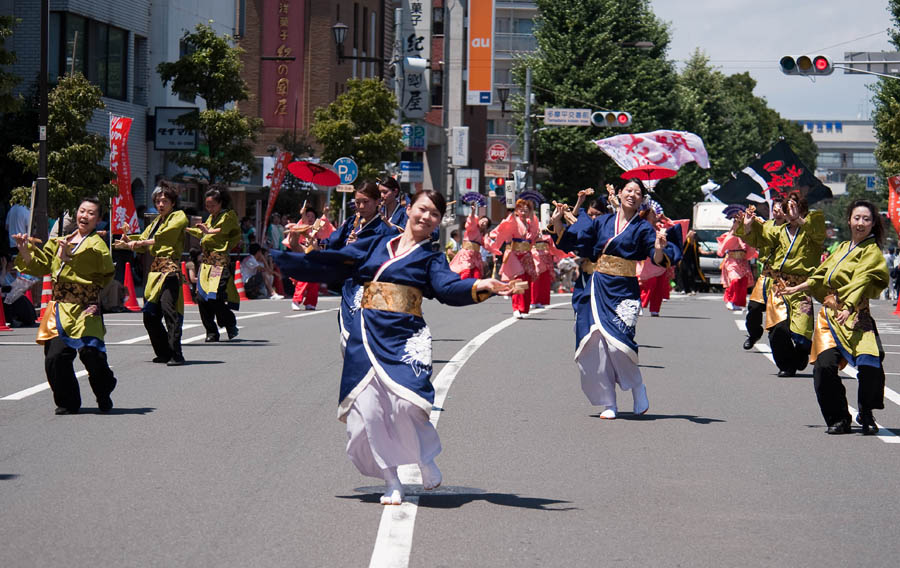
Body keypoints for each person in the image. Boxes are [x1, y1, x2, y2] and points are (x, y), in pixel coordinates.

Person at [272, 190, 510, 505]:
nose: (426, 217)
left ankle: (424, 457)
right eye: (423, 209)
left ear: (437, 222)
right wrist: (288, 252)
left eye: (434, 215)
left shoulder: (431, 258)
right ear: (410, 209)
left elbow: (447, 287)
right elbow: (336, 261)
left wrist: (479, 286)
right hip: (367, 334)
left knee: (407, 404)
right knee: (368, 412)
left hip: (403, 335)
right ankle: (392, 480)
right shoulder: (376, 243)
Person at [550, 178, 681, 419]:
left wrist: (660, 247)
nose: (632, 194)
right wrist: (558, 222)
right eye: (628, 190)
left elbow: (655, 253)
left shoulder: (643, 228)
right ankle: (608, 401)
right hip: (597, 286)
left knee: (619, 344)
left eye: (638, 192)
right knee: (594, 343)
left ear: (642, 199)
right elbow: (577, 240)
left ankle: (637, 385)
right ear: (619, 194)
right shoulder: (602, 221)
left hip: (624, 289)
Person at [780, 200, 889, 435]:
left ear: (873, 224)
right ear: (849, 219)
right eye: (857, 218)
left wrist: (849, 306)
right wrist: (796, 288)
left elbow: (864, 280)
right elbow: (820, 276)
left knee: (871, 366)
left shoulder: (872, 252)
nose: (861, 223)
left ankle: (866, 411)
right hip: (830, 318)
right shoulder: (840, 248)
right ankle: (838, 417)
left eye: (866, 219)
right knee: (823, 367)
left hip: (858, 318)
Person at [13, 197, 117, 414]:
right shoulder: (60, 241)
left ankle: (104, 390)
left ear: (98, 219)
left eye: (91, 213)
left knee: (92, 356)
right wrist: (24, 250)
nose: (84, 216)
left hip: (85, 307)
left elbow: (105, 271)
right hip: (60, 308)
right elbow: (42, 266)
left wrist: (72, 258)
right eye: (82, 211)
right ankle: (67, 401)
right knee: (55, 357)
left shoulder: (97, 245)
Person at [736, 191, 825, 377]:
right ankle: (786, 365)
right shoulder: (778, 230)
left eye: (794, 207)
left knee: (801, 331)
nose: (790, 211)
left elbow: (818, 234)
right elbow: (762, 240)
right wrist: (747, 227)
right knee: (777, 329)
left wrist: (800, 220)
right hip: (779, 285)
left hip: (800, 287)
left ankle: (800, 354)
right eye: (787, 207)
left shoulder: (813, 225)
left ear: (802, 209)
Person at [319, 181, 400, 353]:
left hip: (374, 289)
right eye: (357, 202)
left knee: (369, 342)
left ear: (378, 201)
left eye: (366, 202)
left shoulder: (387, 231)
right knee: (347, 340)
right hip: (350, 287)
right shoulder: (351, 224)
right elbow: (333, 244)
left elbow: (388, 262)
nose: (361, 206)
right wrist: (314, 241)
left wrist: (361, 247)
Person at [114, 183, 189, 365]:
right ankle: (164, 352)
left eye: (164, 201)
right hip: (155, 273)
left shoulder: (179, 216)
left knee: (169, 310)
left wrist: (139, 243)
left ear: (172, 202)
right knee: (150, 316)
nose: (161, 204)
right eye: (158, 201)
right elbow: (141, 240)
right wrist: (127, 241)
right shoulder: (156, 222)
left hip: (170, 271)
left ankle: (176, 354)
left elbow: (166, 236)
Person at [185, 185, 242, 342]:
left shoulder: (228, 216)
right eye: (207, 205)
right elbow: (204, 232)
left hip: (218, 263)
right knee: (202, 298)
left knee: (214, 295)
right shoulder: (211, 218)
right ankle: (211, 331)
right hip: (206, 264)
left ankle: (229, 323)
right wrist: (188, 229)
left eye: (213, 205)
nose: (209, 208)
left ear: (221, 203)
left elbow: (222, 230)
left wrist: (208, 231)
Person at [485, 198, 540, 319]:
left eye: (526, 209)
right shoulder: (514, 221)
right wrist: (511, 212)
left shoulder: (531, 223)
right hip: (516, 255)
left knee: (526, 281)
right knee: (518, 281)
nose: (523, 211)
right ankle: (516, 307)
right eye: (521, 209)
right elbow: (505, 226)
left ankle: (524, 307)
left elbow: (534, 236)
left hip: (527, 255)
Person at [743, 199, 786, 349]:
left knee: (780, 317)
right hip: (766, 276)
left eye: (781, 208)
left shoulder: (794, 230)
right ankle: (754, 333)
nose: (777, 211)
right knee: (754, 307)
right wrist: (748, 225)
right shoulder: (765, 226)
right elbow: (753, 241)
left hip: (785, 279)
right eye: (775, 208)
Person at [289, 207, 336, 310]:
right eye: (308, 216)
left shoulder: (316, 228)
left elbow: (323, 221)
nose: (310, 218)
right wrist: (302, 214)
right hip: (303, 256)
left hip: (314, 256)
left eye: (312, 216)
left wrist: (325, 213)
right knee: (303, 280)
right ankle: (296, 300)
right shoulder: (303, 226)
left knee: (314, 282)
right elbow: (302, 223)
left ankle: (311, 302)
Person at [717, 220, 757, 312]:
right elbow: (724, 246)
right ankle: (730, 300)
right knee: (734, 280)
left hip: (742, 262)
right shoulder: (730, 235)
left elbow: (750, 248)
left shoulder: (745, 236)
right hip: (732, 261)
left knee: (741, 283)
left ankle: (735, 302)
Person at [449, 209, 491, 279]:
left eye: (485, 223)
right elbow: (471, 221)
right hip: (466, 254)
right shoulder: (473, 227)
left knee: (476, 275)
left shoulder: (482, 235)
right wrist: (473, 212)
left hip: (476, 257)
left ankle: (472, 289)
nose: (483, 222)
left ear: (486, 227)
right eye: (483, 220)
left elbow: (487, 245)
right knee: (465, 273)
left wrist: (486, 235)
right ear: (479, 220)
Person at [531, 230, 567, 309]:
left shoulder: (548, 238)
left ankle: (540, 300)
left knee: (544, 280)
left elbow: (554, 248)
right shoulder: (532, 233)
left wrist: (565, 252)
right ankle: (533, 300)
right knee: (535, 280)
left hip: (546, 259)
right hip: (536, 257)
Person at [676, 229, 705, 294]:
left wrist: (708, 253)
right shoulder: (686, 241)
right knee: (682, 274)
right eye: (692, 233)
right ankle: (682, 289)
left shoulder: (695, 242)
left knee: (691, 274)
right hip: (683, 260)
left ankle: (692, 289)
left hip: (691, 261)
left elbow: (700, 250)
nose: (693, 235)